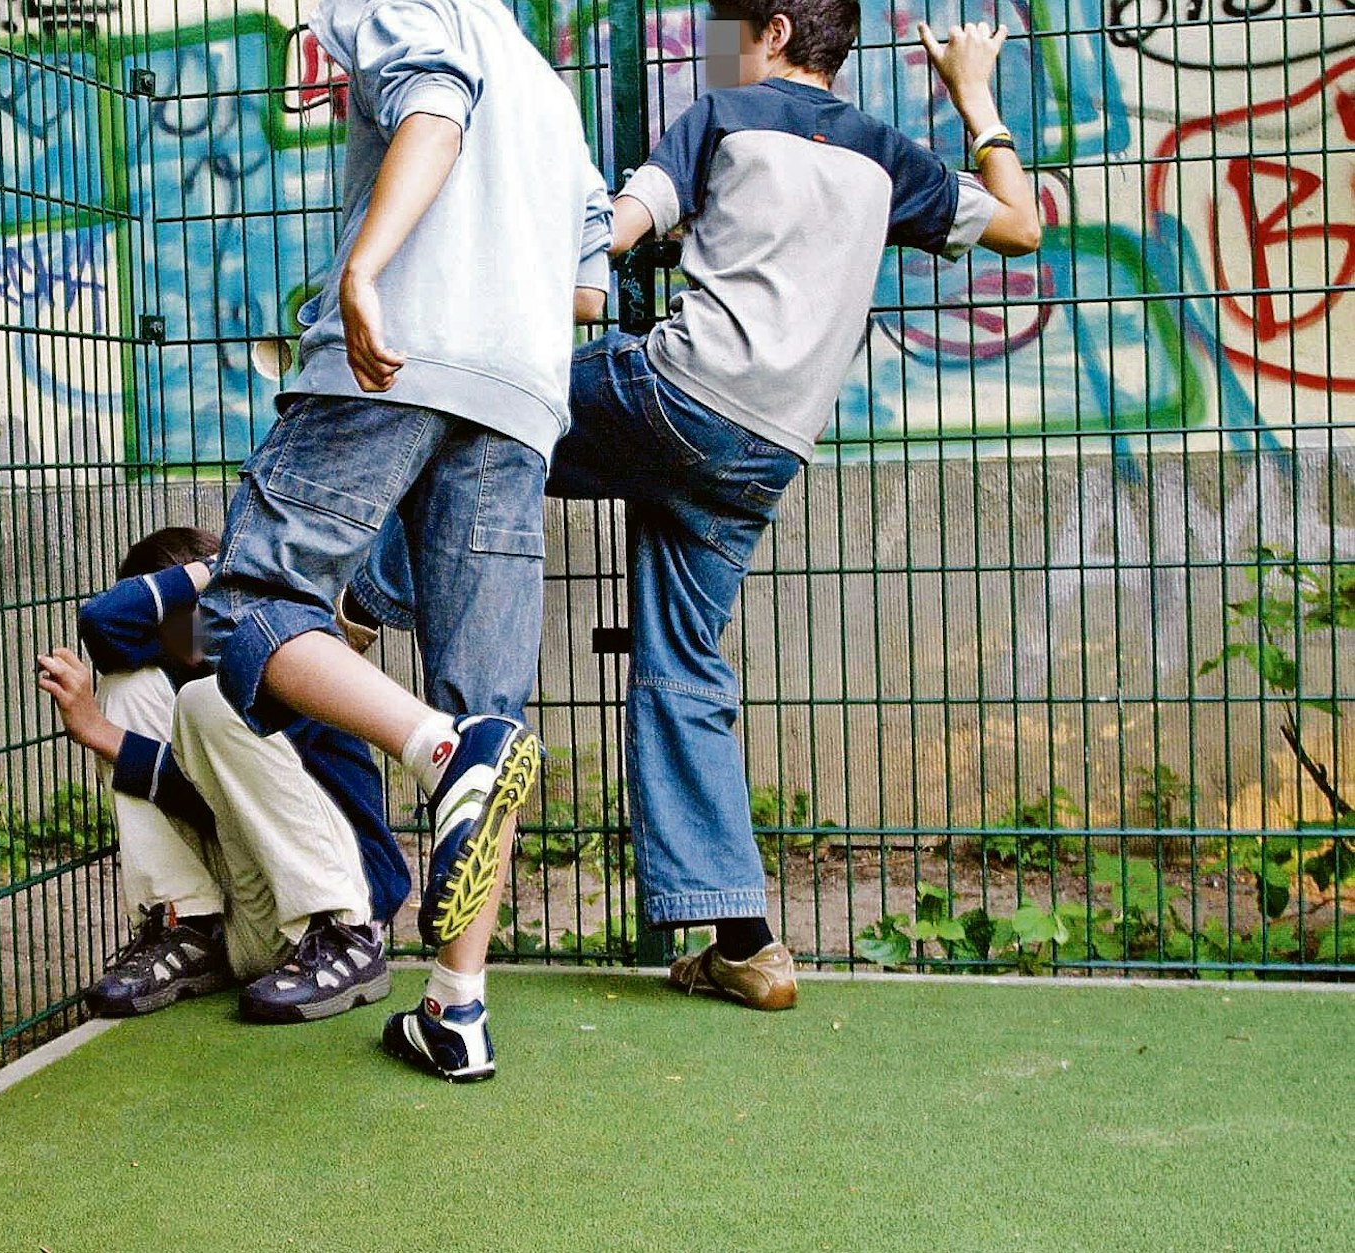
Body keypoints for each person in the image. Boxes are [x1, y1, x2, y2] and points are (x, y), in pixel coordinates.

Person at [349, 4, 1042, 1010]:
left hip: (677, 395)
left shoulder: (720, 114)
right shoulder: (888, 158)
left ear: (767, 30)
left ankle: (359, 606)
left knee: (481, 421)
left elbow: (613, 232)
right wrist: (971, 94)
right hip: (765, 448)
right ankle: (746, 940)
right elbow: (1019, 225)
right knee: (685, 668)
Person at [195, 0, 614, 1080]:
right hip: (520, 396)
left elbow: (432, 105)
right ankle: (455, 1009)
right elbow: (582, 285)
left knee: (245, 604)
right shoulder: (551, 89)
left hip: (394, 358)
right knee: (494, 707)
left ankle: (436, 752)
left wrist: (365, 269)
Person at [35, 525, 410, 1023]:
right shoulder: (178, 673)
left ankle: (348, 941)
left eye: (197, 608)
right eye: (168, 617)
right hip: (253, 923)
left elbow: (197, 789)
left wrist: (99, 733)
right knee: (128, 686)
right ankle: (187, 928)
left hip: (341, 909)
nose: (184, 626)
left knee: (208, 698)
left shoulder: (293, 655)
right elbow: (103, 622)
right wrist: (202, 572)